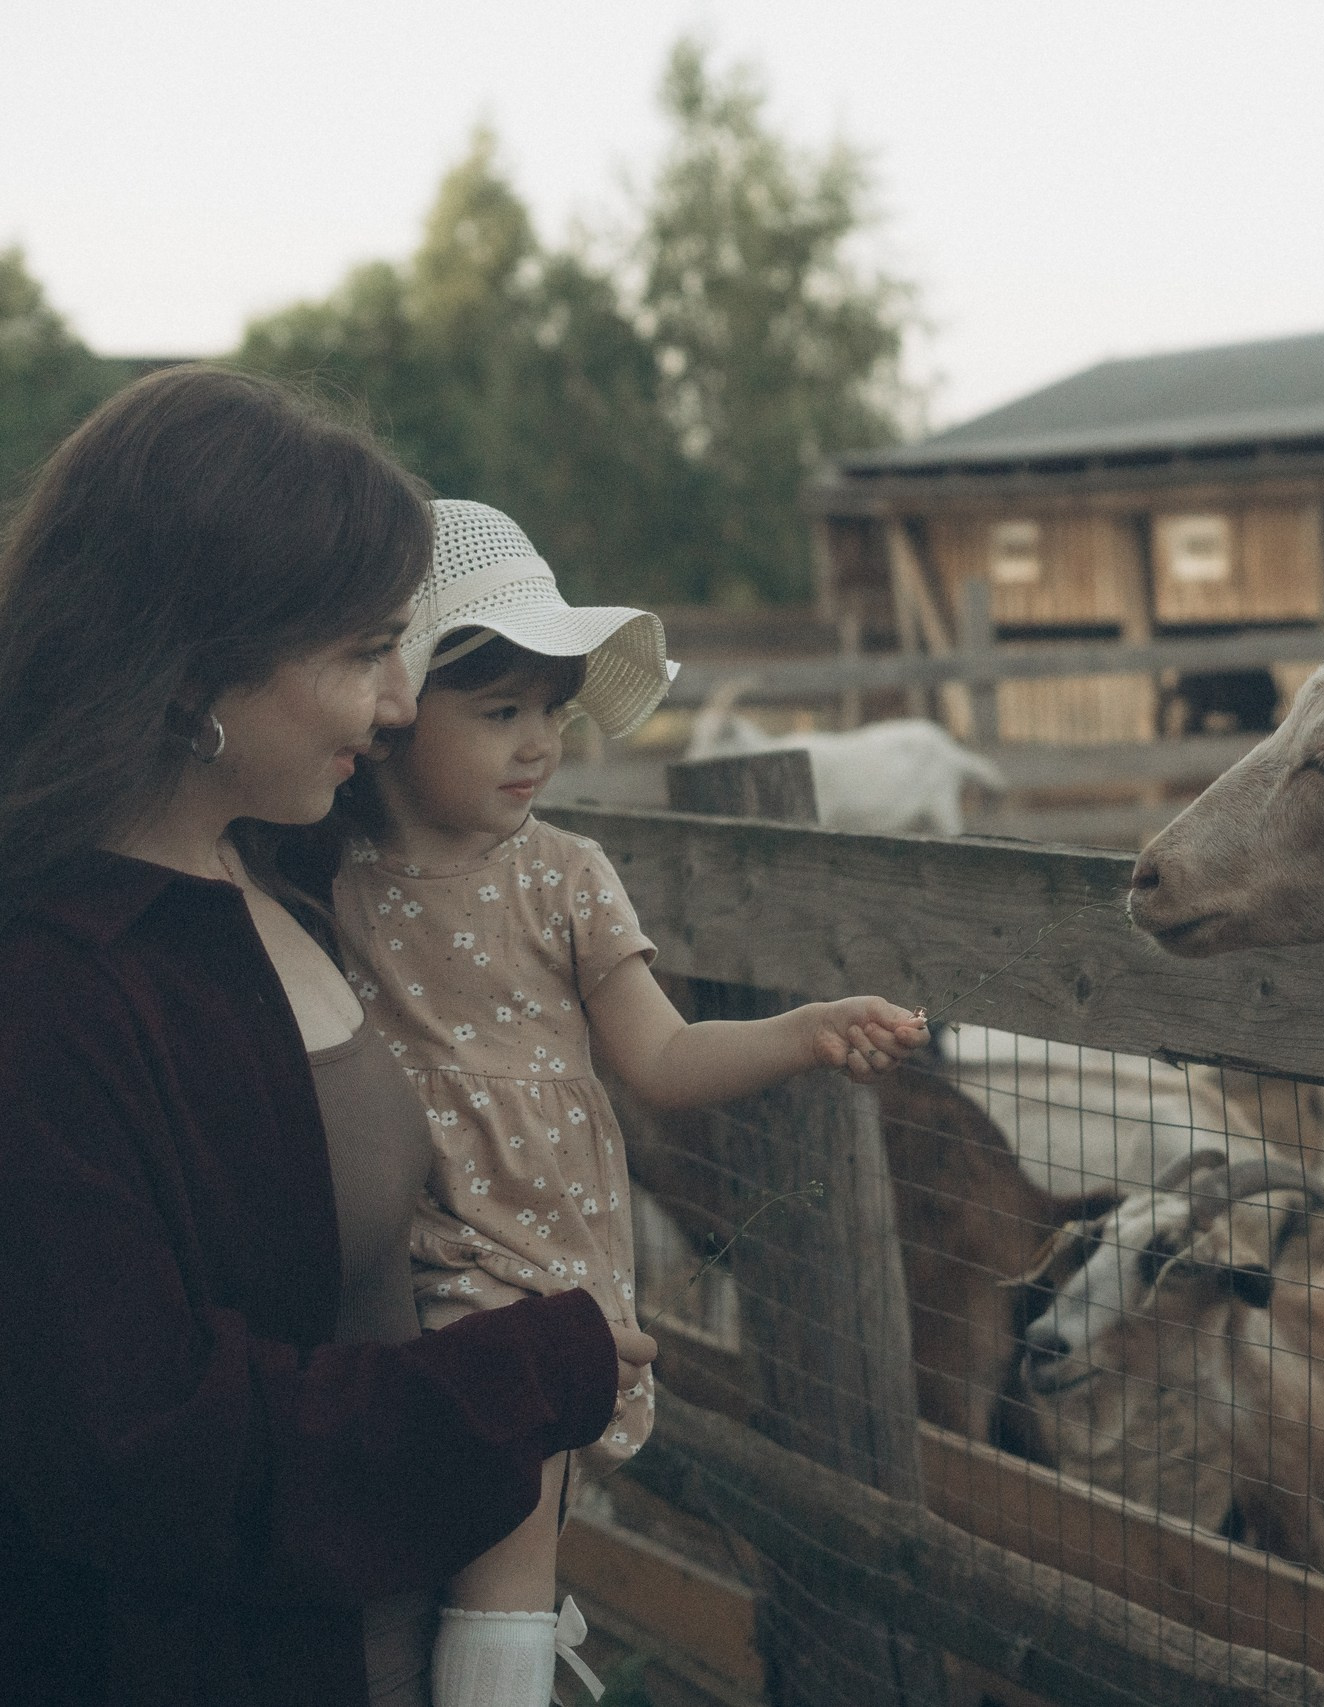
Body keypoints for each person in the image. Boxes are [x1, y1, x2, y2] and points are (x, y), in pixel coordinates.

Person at [0, 366, 648, 1707]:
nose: (403, 704)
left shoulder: (281, 879)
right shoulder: (56, 990)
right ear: (199, 664)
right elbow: (149, 1448)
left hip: (387, 1627)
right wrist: (526, 1369)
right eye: (363, 653)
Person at [328, 500, 927, 1707]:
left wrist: (800, 1032)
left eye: (551, 710)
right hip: (393, 1260)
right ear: (395, 715)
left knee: (511, 1543)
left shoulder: (565, 877)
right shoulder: (329, 876)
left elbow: (658, 1058)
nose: (538, 742)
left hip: (536, 1262)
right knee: (426, 1546)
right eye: (498, 712)